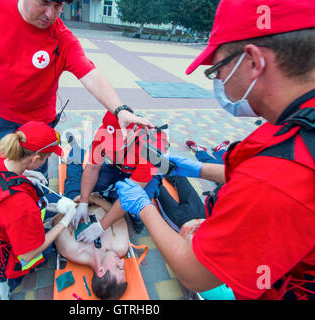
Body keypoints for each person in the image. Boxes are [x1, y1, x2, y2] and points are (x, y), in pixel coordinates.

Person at [115, 0, 315, 300]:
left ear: (252, 62)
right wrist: (198, 168)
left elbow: (195, 272)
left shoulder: (274, 178)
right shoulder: (297, 124)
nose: (217, 81)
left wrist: (143, 207)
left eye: (217, 70)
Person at [0, 0, 154, 178]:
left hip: (39, 122)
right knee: (8, 165)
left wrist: (120, 109)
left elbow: (90, 74)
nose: (50, 15)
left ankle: (37, 204)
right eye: (44, 3)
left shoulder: (61, 38)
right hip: (0, 113)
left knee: (35, 172)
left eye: (58, 6)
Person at [0, 121, 78, 300]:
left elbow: (0, 177)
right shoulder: (18, 203)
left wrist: (25, 175)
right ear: (35, 160)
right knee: (47, 244)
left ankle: (0, 279)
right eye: (46, 157)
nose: (47, 160)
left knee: (48, 205)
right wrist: (65, 222)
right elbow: (29, 252)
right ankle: (4, 283)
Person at [72, 111, 169, 239]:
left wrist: (101, 226)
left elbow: (132, 193)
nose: (113, 148)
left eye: (117, 143)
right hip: (122, 167)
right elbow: (92, 168)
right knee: (94, 185)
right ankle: (113, 199)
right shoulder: (102, 133)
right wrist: (84, 202)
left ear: (133, 131)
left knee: (137, 206)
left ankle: (136, 217)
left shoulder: (151, 146)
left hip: (148, 174)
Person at [52, 193, 129, 300]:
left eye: (118, 267)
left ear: (101, 271)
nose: (123, 261)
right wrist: (93, 199)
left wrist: (79, 203)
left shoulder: (71, 248)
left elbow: (58, 219)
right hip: (104, 196)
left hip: (74, 198)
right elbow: (118, 214)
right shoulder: (120, 246)